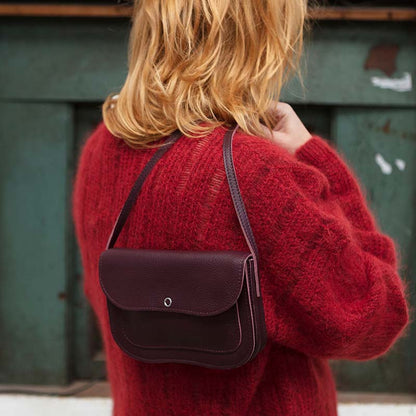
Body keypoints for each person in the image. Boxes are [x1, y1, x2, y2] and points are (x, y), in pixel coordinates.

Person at [71, 1, 410, 415]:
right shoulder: (260, 175)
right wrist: (316, 157)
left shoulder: (102, 149)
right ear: (263, 37)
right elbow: (376, 315)